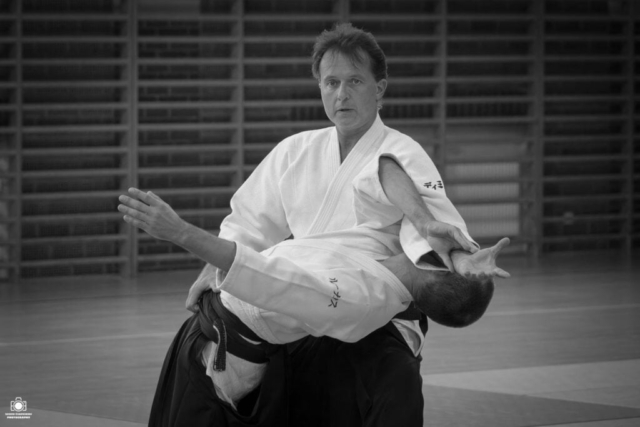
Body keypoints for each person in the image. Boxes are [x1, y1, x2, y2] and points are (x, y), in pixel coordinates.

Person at [128, 22, 510, 427]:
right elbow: (249, 222)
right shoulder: (296, 150)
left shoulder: (403, 152)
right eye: (331, 82)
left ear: (379, 88)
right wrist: (214, 266)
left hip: (374, 314)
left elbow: (434, 227)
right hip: (296, 303)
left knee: (390, 385)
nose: (341, 94)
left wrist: (459, 258)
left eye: (354, 81)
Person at [118, 183, 508, 426]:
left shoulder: (358, 298)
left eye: (454, 253)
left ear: (437, 269)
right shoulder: (387, 244)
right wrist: (473, 260)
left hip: (218, 362)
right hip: (216, 327)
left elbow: (265, 278)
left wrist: (180, 232)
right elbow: (384, 175)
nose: (451, 242)